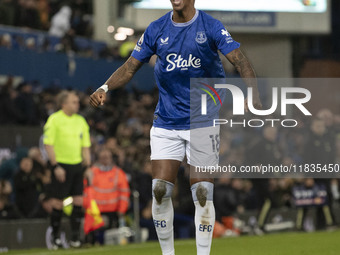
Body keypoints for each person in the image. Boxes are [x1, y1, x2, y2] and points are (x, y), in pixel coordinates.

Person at [90, 0, 262, 254]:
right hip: (166, 122)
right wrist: (104, 87)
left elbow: (239, 59)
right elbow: (130, 66)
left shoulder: (211, 26)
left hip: (202, 121)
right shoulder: (157, 29)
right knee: (160, 191)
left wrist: (253, 93)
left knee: (202, 192)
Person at [43, 90, 91, 249]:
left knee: (78, 201)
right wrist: (55, 166)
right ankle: (56, 238)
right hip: (61, 165)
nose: (77, 104)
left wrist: (88, 165)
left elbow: (86, 145)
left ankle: (75, 238)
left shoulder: (81, 121)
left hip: (77, 165)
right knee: (57, 203)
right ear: (64, 104)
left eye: (77, 102)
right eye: (74, 102)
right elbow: (48, 144)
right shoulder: (54, 119)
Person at [86, 149, 130, 244]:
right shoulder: (91, 172)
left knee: (111, 239)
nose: (105, 160)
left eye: (107, 157)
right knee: (94, 240)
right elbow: (86, 192)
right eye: (102, 157)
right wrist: (87, 207)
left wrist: (121, 210)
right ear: (98, 159)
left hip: (113, 211)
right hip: (95, 211)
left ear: (111, 159)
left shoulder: (118, 173)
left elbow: (124, 193)